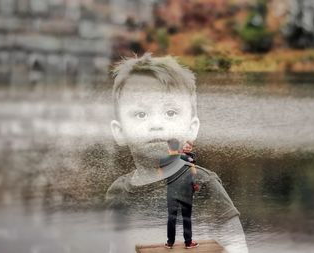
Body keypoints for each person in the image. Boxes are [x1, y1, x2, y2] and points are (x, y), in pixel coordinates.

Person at [106, 53, 248, 253]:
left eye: (170, 113)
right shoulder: (118, 193)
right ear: (119, 132)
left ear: (192, 128)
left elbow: (236, 245)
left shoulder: (202, 183)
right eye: (141, 114)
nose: (156, 124)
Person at [158, 138, 198, 249]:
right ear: (178, 147)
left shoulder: (163, 159)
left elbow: (161, 176)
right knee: (186, 217)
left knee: (171, 217)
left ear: (168, 147)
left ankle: (170, 243)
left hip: (172, 191)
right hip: (186, 191)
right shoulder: (186, 158)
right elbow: (194, 172)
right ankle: (188, 242)